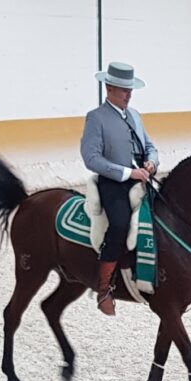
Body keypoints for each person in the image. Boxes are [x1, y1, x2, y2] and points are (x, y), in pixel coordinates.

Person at [81, 62, 159, 315]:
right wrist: (127, 172)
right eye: (124, 90)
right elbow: (91, 159)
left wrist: (151, 163)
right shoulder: (96, 118)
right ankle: (104, 287)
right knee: (120, 224)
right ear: (110, 88)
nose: (129, 94)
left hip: (142, 178)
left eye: (130, 90)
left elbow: (151, 146)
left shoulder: (135, 115)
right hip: (113, 183)